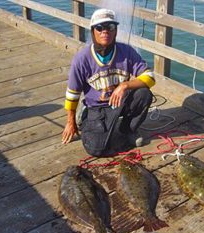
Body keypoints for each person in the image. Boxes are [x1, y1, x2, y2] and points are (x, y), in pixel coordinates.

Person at [62, 8, 155, 157]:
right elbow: (72, 94)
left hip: (119, 102)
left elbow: (150, 76)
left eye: (110, 27)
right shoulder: (81, 59)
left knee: (144, 94)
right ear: (93, 31)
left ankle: (127, 129)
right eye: (100, 28)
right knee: (97, 149)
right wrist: (70, 122)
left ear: (115, 31)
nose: (105, 31)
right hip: (96, 107)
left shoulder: (127, 51)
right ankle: (84, 115)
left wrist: (125, 85)